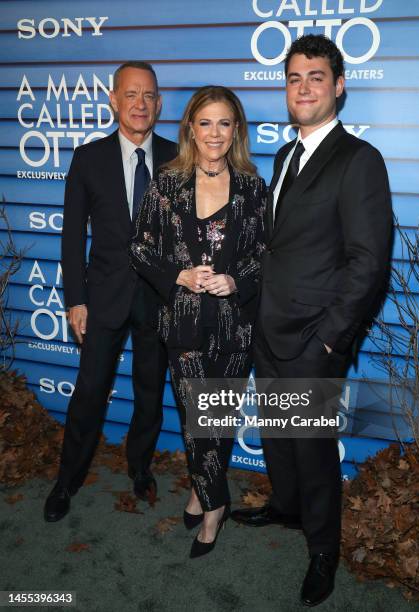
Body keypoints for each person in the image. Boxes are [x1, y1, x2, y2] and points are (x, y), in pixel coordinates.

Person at [231, 35, 392, 606]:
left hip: (313, 339)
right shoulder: (283, 156)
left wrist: (329, 340)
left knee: (315, 448)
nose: (303, 88)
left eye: (316, 77)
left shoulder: (359, 161)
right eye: (294, 78)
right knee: (279, 436)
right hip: (269, 328)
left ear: (339, 85)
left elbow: (369, 263)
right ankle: (286, 508)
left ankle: (324, 550)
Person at [130, 85, 266, 558]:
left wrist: (238, 281)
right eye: (205, 123)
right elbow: (140, 248)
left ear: (236, 130)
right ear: (190, 127)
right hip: (183, 326)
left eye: (224, 123)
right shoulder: (166, 184)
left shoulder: (252, 187)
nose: (215, 133)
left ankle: (201, 496)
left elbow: (267, 253)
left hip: (234, 327)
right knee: (196, 420)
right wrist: (179, 274)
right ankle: (215, 505)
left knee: (220, 419)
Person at [44, 61, 177, 522]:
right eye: (131, 95)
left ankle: (140, 468)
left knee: (148, 391)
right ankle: (68, 480)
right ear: (114, 101)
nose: (140, 105)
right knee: (89, 391)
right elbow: (70, 237)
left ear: (159, 105)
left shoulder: (179, 158)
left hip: (159, 300)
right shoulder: (88, 158)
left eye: (149, 97)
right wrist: (75, 299)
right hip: (102, 297)